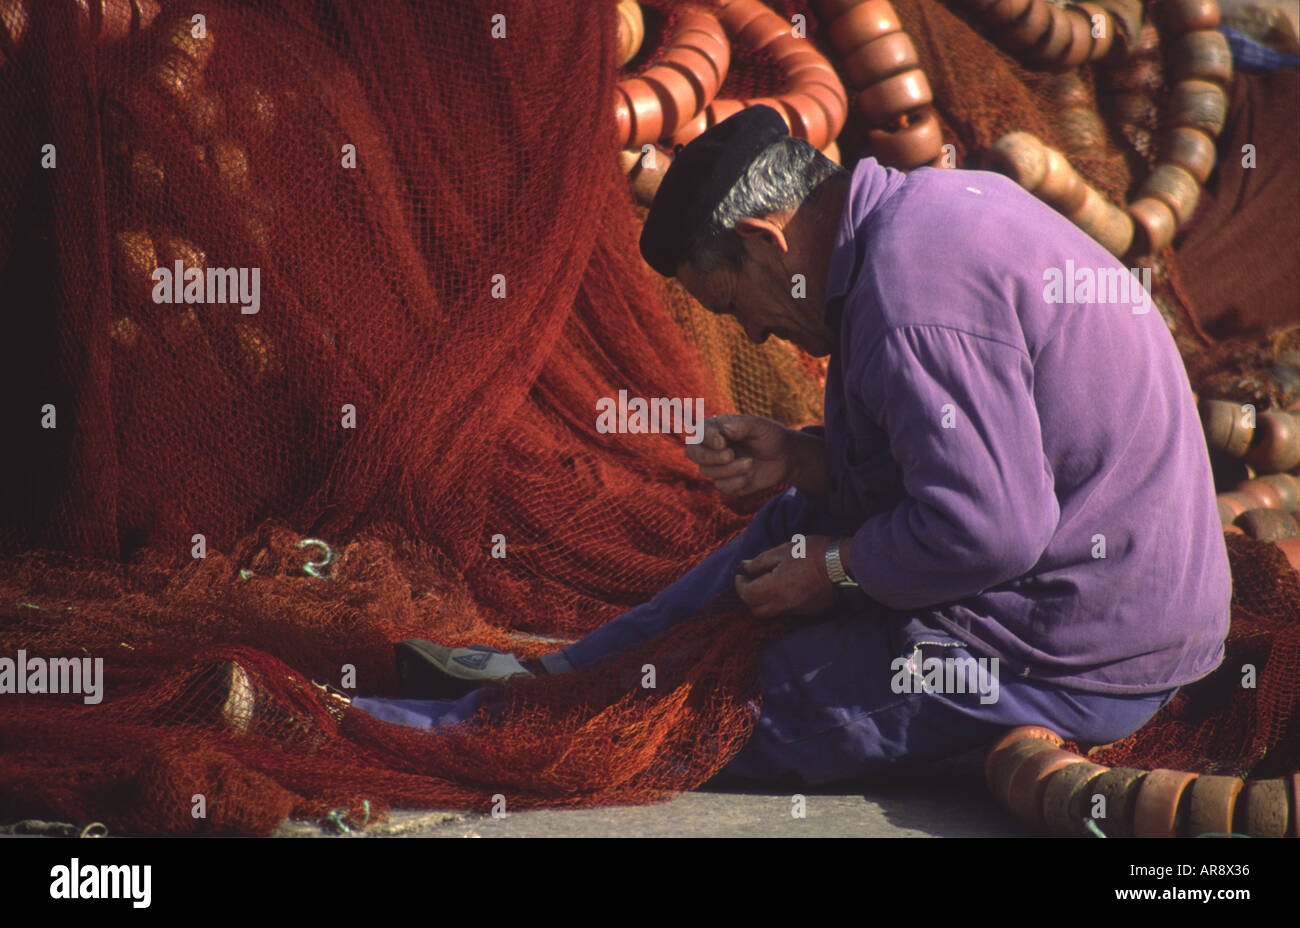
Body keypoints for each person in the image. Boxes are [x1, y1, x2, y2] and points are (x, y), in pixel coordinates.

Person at [343, 106, 1231, 786]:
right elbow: (965, 460)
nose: (758, 337)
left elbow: (990, 530)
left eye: (732, 305)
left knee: (733, 706)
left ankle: (396, 730)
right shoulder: (923, 214)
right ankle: (553, 677)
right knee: (789, 523)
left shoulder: (912, 293)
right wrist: (804, 460)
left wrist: (838, 571)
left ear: (765, 242)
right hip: (1094, 588)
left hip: (1079, 648)